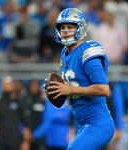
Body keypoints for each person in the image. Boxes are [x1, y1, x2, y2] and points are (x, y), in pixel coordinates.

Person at [44, 8, 115, 150]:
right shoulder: (65, 53)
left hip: (98, 123)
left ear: (80, 28)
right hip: (82, 123)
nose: (65, 30)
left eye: (70, 26)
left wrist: (70, 89)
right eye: (62, 27)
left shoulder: (88, 51)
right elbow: (76, 83)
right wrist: (57, 88)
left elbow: (104, 89)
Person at [0, 76, 31, 150]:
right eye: (4, 84)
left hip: (15, 141)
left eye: (8, 84)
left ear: (13, 86)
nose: (6, 86)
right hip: (1, 141)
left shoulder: (19, 103)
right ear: (1, 86)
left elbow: (26, 124)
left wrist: (26, 142)